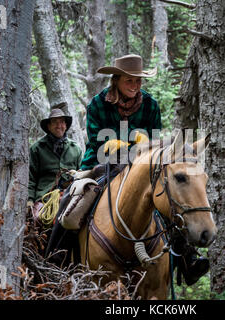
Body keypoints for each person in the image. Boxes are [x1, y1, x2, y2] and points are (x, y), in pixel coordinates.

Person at [80, 54, 209, 286]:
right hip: (101, 163)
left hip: (142, 165)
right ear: (116, 80)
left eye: (138, 80)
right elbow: (95, 141)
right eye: (129, 80)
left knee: (167, 200)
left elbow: (156, 143)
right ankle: (56, 254)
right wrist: (118, 144)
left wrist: (144, 145)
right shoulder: (97, 104)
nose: (135, 85)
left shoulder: (150, 105)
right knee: (72, 203)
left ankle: (188, 258)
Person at [28, 108, 83, 221]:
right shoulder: (37, 148)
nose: (59, 125)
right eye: (55, 122)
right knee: (39, 220)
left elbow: (82, 174)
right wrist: (29, 201)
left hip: (70, 194)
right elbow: (30, 178)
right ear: (48, 126)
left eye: (62, 122)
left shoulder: (75, 149)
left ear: (66, 126)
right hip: (44, 197)